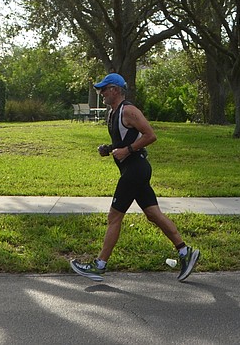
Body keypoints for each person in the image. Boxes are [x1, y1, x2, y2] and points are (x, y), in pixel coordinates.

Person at [70, 72, 200, 283]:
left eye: (104, 88)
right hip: (133, 169)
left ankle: (99, 265)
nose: (101, 93)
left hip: (136, 170)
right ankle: (186, 253)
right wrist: (109, 148)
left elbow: (151, 135)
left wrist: (128, 150)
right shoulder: (113, 113)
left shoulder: (129, 110)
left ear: (115, 89)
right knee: (153, 214)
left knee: (114, 217)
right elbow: (125, 140)